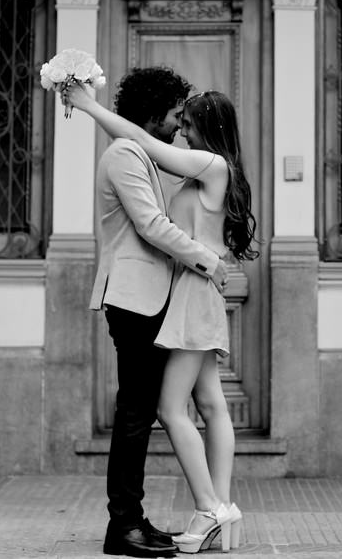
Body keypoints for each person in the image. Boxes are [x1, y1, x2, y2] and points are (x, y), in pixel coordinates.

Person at [66, 82, 256, 554]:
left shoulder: (211, 165)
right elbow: (145, 158)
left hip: (193, 292)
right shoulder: (195, 170)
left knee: (172, 409)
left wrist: (88, 106)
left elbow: (147, 147)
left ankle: (209, 509)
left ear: (207, 127)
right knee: (210, 404)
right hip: (189, 290)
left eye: (188, 122)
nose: (180, 131)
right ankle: (221, 508)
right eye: (177, 117)